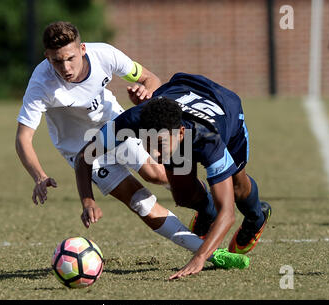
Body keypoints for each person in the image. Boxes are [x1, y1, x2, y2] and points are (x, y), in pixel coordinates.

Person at [15, 22, 248, 271]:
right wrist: (40, 176)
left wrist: (145, 92)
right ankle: (214, 254)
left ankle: (208, 210)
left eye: (70, 58)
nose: (65, 68)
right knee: (141, 203)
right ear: (46, 57)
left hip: (116, 124)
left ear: (82, 49)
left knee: (156, 173)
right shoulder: (40, 84)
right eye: (57, 62)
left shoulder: (105, 54)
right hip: (79, 147)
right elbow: (23, 138)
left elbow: (152, 79)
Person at [75, 73, 272, 279]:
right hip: (182, 91)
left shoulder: (209, 140)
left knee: (238, 189)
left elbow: (228, 213)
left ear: (179, 132)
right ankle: (207, 213)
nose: (155, 154)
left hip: (226, 110)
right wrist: (88, 200)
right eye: (148, 143)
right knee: (183, 196)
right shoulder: (135, 120)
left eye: (160, 145)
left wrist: (200, 257)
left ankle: (256, 218)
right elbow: (84, 156)